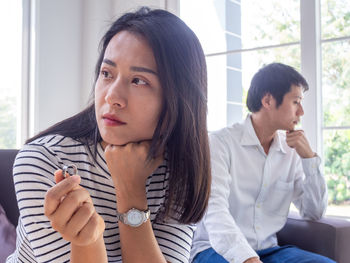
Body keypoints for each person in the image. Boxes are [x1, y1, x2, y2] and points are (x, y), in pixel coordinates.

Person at [7, 7, 211, 263]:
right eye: (107, 73)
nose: (112, 96)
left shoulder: (177, 171)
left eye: (138, 80)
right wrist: (87, 242)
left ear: (178, 100)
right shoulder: (43, 160)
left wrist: (131, 189)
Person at [190, 63, 334, 263]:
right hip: (215, 250)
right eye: (295, 102)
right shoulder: (220, 143)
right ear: (267, 100)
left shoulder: (291, 152)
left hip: (268, 251)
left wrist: (309, 158)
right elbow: (216, 214)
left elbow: (314, 211)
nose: (301, 112)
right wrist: (247, 258)